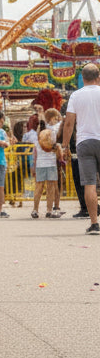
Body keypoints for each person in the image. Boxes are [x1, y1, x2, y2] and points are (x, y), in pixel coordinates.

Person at [62, 63, 100, 235]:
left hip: (84, 142)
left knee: (89, 184)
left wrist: (64, 146)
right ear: (98, 77)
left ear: (82, 78)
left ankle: (94, 224)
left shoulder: (76, 96)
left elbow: (69, 123)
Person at [31, 124, 61, 219]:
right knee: (51, 188)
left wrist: (34, 168)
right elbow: (59, 156)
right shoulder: (53, 142)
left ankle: (35, 209)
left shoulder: (37, 142)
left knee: (38, 188)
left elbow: (34, 157)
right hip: (51, 165)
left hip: (40, 165)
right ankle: (49, 210)